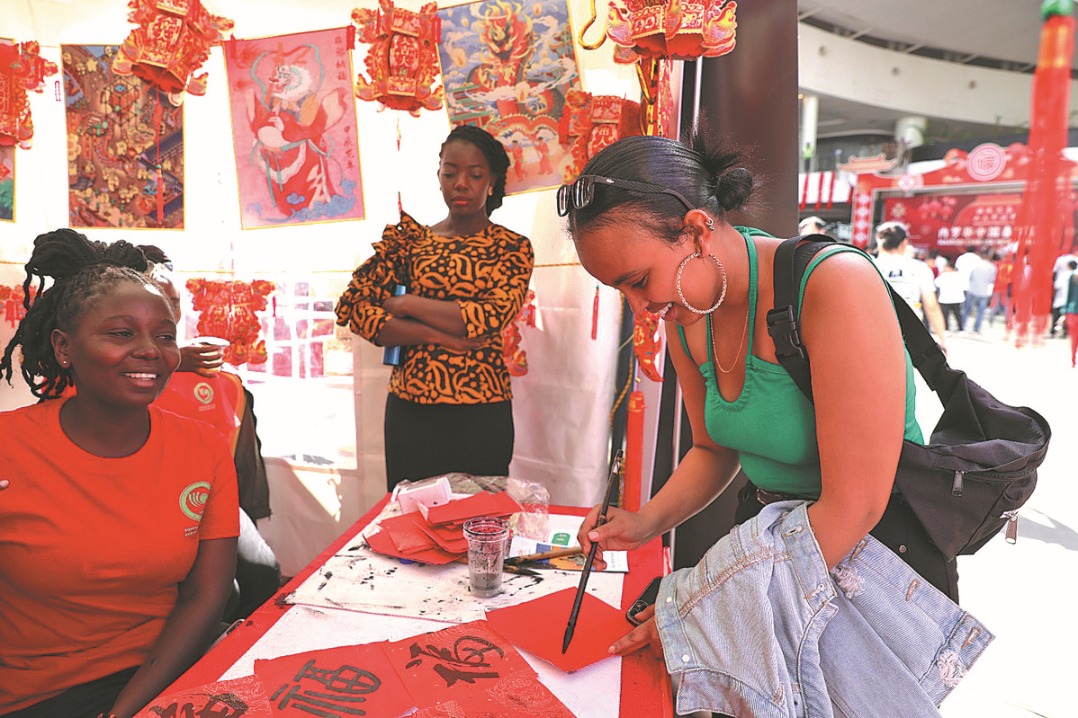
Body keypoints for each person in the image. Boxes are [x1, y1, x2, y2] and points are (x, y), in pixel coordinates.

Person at [563, 132, 958, 668]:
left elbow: (857, 504)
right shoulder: (685, 313)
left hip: (875, 562)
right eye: (620, 290)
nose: (639, 307)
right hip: (771, 550)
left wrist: (710, 606)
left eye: (638, 281)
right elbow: (712, 448)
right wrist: (644, 522)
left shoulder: (832, 283)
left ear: (697, 231)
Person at [0, 229, 238, 718]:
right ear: (64, 347)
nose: (151, 350)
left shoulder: (202, 448)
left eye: (166, 336)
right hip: (42, 695)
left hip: (166, 674)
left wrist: (126, 709)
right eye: (122, 333)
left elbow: (206, 597)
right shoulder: (9, 447)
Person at [335, 125, 534, 491]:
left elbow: (487, 318)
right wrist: (436, 334)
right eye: (450, 172)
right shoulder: (407, 242)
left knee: (479, 524)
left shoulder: (511, 247)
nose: (461, 183)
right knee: (410, 522)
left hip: (481, 411)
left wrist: (406, 303)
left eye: (475, 175)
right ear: (438, 177)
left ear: (491, 182)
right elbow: (356, 308)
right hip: (412, 413)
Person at [138, 245, 282, 622]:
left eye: (173, 301)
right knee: (223, 592)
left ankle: (240, 653)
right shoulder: (119, 369)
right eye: (156, 301)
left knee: (264, 571)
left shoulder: (216, 382)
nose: (168, 312)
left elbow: (236, 462)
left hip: (203, 496)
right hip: (144, 499)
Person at [872, 222, 948, 351]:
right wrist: (942, 340)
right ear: (904, 242)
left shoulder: (868, 264)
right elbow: (931, 306)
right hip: (908, 334)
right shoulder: (919, 268)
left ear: (878, 242)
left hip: (872, 331)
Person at [964, 246, 996, 334]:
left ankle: (963, 324)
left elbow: (971, 277)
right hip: (983, 291)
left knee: (967, 309)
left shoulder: (975, 265)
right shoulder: (992, 267)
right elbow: (991, 280)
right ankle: (976, 328)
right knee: (980, 311)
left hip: (972, 289)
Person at [934, 256, 966, 332]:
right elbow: (965, 287)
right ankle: (961, 329)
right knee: (957, 314)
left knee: (946, 315)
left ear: (950, 268)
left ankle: (946, 329)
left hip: (946, 299)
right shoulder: (959, 275)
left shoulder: (943, 276)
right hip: (956, 298)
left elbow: (936, 283)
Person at [1063, 260, 1078, 367]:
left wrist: (1065, 309)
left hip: (1073, 311)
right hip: (1073, 311)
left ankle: (1073, 359)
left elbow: (1068, 295)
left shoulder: (1074, 276)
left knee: (1073, 338)